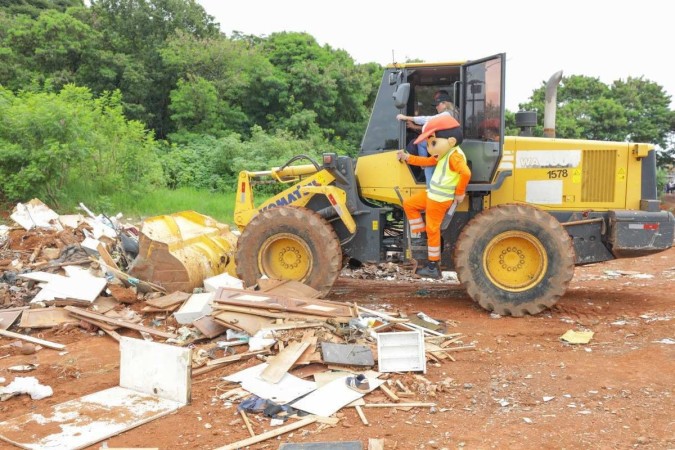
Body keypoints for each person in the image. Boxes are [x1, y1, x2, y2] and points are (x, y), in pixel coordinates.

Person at [396, 114, 471, 279]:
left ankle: (433, 266)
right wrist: (408, 158)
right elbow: (428, 161)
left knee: (433, 229)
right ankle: (421, 233)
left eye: (433, 143)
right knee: (409, 204)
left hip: (440, 199)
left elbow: (465, 172)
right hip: (432, 194)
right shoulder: (445, 154)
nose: (429, 147)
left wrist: (459, 193)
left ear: (450, 141)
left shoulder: (455, 156)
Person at [397, 90, 460, 187]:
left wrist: (406, 117)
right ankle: (425, 171)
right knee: (429, 165)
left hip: (443, 145)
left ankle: (423, 166)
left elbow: (428, 120)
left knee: (421, 143)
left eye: (437, 104)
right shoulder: (454, 113)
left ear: (444, 104)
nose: (436, 107)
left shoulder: (447, 114)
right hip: (446, 145)